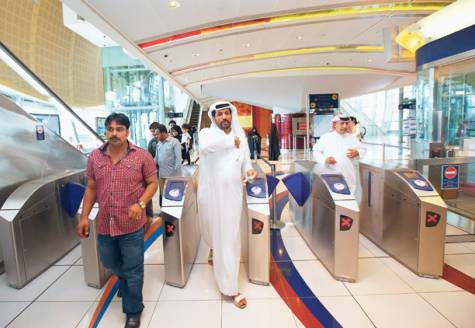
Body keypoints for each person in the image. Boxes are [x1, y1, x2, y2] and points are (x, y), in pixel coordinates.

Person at [76, 113, 158, 328]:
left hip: (131, 226)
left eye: (119, 129)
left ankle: (133, 312)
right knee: (110, 262)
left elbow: (152, 183)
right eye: (110, 129)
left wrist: (140, 204)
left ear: (127, 131)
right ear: (105, 131)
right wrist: (84, 217)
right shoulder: (95, 157)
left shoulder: (141, 155)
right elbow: (91, 188)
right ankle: (125, 281)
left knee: (133, 269)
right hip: (105, 224)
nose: (114, 133)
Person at [197, 101, 257, 309]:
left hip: (232, 195)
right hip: (212, 195)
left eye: (227, 113)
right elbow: (205, 148)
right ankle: (214, 249)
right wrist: (232, 141)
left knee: (229, 238)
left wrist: (249, 171)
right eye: (220, 114)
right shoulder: (207, 134)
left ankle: (229, 288)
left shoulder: (241, 137)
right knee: (215, 233)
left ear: (232, 115)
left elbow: (245, 161)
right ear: (214, 117)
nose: (224, 117)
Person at [313, 115, 366, 194]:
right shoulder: (326, 137)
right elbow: (316, 151)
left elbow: (363, 149)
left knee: (348, 198)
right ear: (334, 124)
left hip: (348, 175)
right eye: (342, 123)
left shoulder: (352, 138)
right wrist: (325, 159)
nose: (345, 126)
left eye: (346, 123)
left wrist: (357, 152)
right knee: (332, 198)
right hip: (331, 174)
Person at [155, 124, 182, 206]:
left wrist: (175, 177)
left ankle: (174, 216)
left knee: (173, 198)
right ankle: (164, 214)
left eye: (157, 134)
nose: (156, 136)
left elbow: (178, 160)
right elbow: (156, 159)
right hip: (162, 176)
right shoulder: (158, 144)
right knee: (163, 197)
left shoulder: (174, 142)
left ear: (163, 133)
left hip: (173, 176)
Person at [146, 122, 160, 222]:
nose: (153, 133)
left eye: (153, 131)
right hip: (157, 168)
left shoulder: (156, 141)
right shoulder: (152, 142)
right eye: (151, 132)